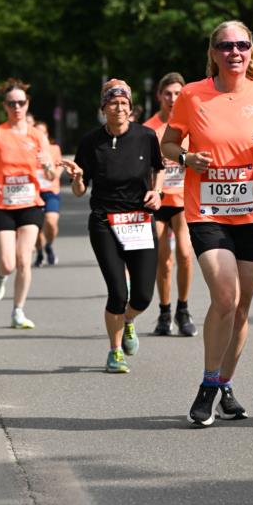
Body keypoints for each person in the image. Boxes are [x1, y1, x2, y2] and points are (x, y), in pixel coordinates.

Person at [162, 20, 253, 426]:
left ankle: (224, 386)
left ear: (251, 51)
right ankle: (207, 386)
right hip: (208, 211)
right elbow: (168, 144)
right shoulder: (192, 95)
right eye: (226, 46)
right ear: (213, 53)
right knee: (225, 297)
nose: (234, 52)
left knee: (241, 309)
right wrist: (186, 159)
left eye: (242, 45)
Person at [64, 79, 164, 373]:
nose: (118, 108)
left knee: (143, 296)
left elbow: (159, 168)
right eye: (112, 103)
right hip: (104, 221)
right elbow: (80, 190)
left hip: (139, 220)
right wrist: (78, 179)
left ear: (130, 109)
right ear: (103, 108)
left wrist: (157, 192)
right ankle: (115, 351)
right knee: (118, 292)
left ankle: (129, 320)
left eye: (124, 104)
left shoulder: (146, 136)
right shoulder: (91, 142)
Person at [0, 78, 58, 329]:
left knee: (23, 259)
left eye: (21, 102)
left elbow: (52, 176)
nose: (17, 107)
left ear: (27, 104)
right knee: (8, 263)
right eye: (12, 103)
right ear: (5, 106)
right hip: (3, 205)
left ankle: (18, 311)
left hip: (30, 203)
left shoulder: (38, 135)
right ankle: (0, 275)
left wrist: (47, 165)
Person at [145, 72, 197, 336]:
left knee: (186, 254)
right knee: (163, 260)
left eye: (178, 93)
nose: (173, 98)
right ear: (159, 96)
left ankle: (183, 309)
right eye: (168, 93)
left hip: (184, 201)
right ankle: (164, 313)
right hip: (158, 200)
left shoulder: (191, 125)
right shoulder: (149, 128)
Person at [32, 120, 63, 267]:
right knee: (36, 227)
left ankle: (49, 245)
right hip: (33, 193)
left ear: (47, 134)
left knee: (51, 221)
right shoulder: (28, 149)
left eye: (43, 132)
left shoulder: (54, 148)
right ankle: (39, 252)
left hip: (51, 191)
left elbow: (60, 165)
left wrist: (54, 173)